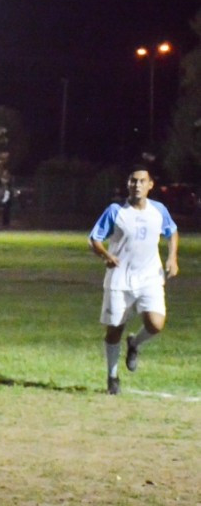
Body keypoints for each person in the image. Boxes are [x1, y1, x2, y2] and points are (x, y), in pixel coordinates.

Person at [88, 165, 179, 395]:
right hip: (120, 280)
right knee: (114, 331)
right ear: (128, 185)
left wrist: (173, 258)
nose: (137, 185)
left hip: (150, 277)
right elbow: (94, 239)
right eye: (133, 181)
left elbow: (172, 232)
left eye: (141, 181)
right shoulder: (116, 211)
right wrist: (106, 256)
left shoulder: (158, 210)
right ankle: (112, 377)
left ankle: (135, 344)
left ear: (150, 185)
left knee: (155, 324)